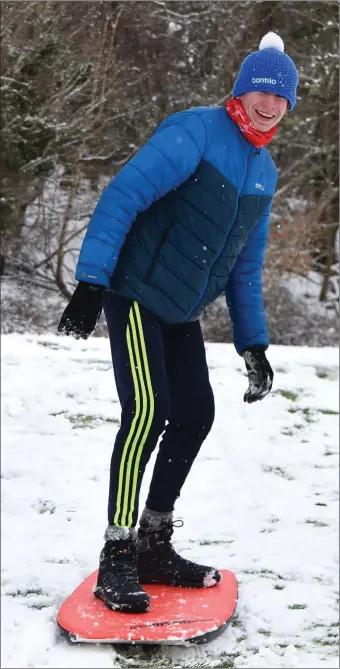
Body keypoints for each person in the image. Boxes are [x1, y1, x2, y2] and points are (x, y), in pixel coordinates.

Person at [58, 32, 298, 613]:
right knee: (148, 410)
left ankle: (153, 543)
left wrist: (253, 345)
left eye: (280, 97)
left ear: (289, 105)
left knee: (196, 413)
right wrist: (92, 281)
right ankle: (117, 553)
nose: (268, 105)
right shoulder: (194, 131)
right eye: (259, 93)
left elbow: (246, 267)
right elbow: (122, 197)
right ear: (240, 91)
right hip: (135, 293)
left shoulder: (263, 170)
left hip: (181, 309)